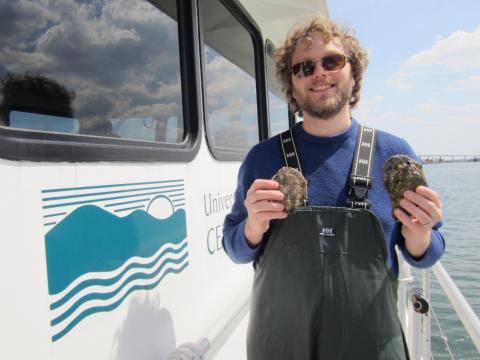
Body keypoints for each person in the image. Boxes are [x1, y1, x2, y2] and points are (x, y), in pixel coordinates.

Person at [222, 16, 445, 359]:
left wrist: (421, 237)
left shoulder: (393, 153)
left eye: (332, 61)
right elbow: (235, 248)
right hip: (279, 347)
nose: (319, 73)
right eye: (304, 67)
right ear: (292, 84)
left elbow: (430, 251)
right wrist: (252, 227)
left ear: (353, 72)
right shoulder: (261, 159)